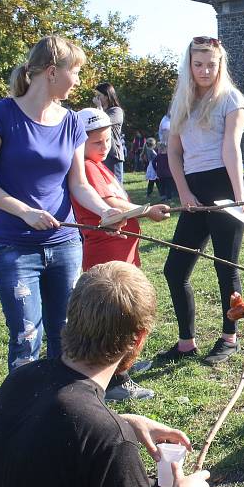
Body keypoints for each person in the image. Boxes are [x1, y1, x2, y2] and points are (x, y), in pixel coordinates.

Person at [0, 261, 210, 487]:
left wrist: (122, 419)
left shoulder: (23, 380)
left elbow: (52, 426)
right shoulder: (109, 440)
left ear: (71, 318)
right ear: (138, 339)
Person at [0, 35, 120, 371]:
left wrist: (104, 210)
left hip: (64, 244)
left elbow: (78, 183)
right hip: (14, 246)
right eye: (75, 71)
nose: (78, 80)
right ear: (51, 72)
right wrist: (25, 211)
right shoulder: (0, 115)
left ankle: (60, 409)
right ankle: (22, 415)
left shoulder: (71, 122)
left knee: (66, 334)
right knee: (26, 336)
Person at [158, 36, 244, 366]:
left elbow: (231, 149)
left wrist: (238, 199)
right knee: (175, 268)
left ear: (220, 64)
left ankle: (230, 338)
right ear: (189, 65)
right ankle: (186, 342)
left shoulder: (231, 99)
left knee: (225, 265)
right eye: (198, 64)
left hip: (225, 184)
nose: (205, 70)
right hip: (193, 190)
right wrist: (183, 192)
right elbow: (174, 151)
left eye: (211, 64)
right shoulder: (181, 101)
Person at [71, 107, 170, 401]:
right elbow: (111, 202)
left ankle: (122, 363)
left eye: (107, 141)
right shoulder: (87, 167)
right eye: (96, 143)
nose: (103, 148)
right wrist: (146, 210)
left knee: (128, 311)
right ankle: (116, 379)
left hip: (123, 251)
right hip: (107, 254)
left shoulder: (100, 165)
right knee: (116, 312)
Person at [93, 82, 125, 184]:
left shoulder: (116, 111)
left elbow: (102, 122)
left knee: (116, 186)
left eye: (99, 96)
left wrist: (99, 108)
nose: (96, 99)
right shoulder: (100, 111)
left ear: (106, 96)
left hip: (113, 154)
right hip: (101, 153)